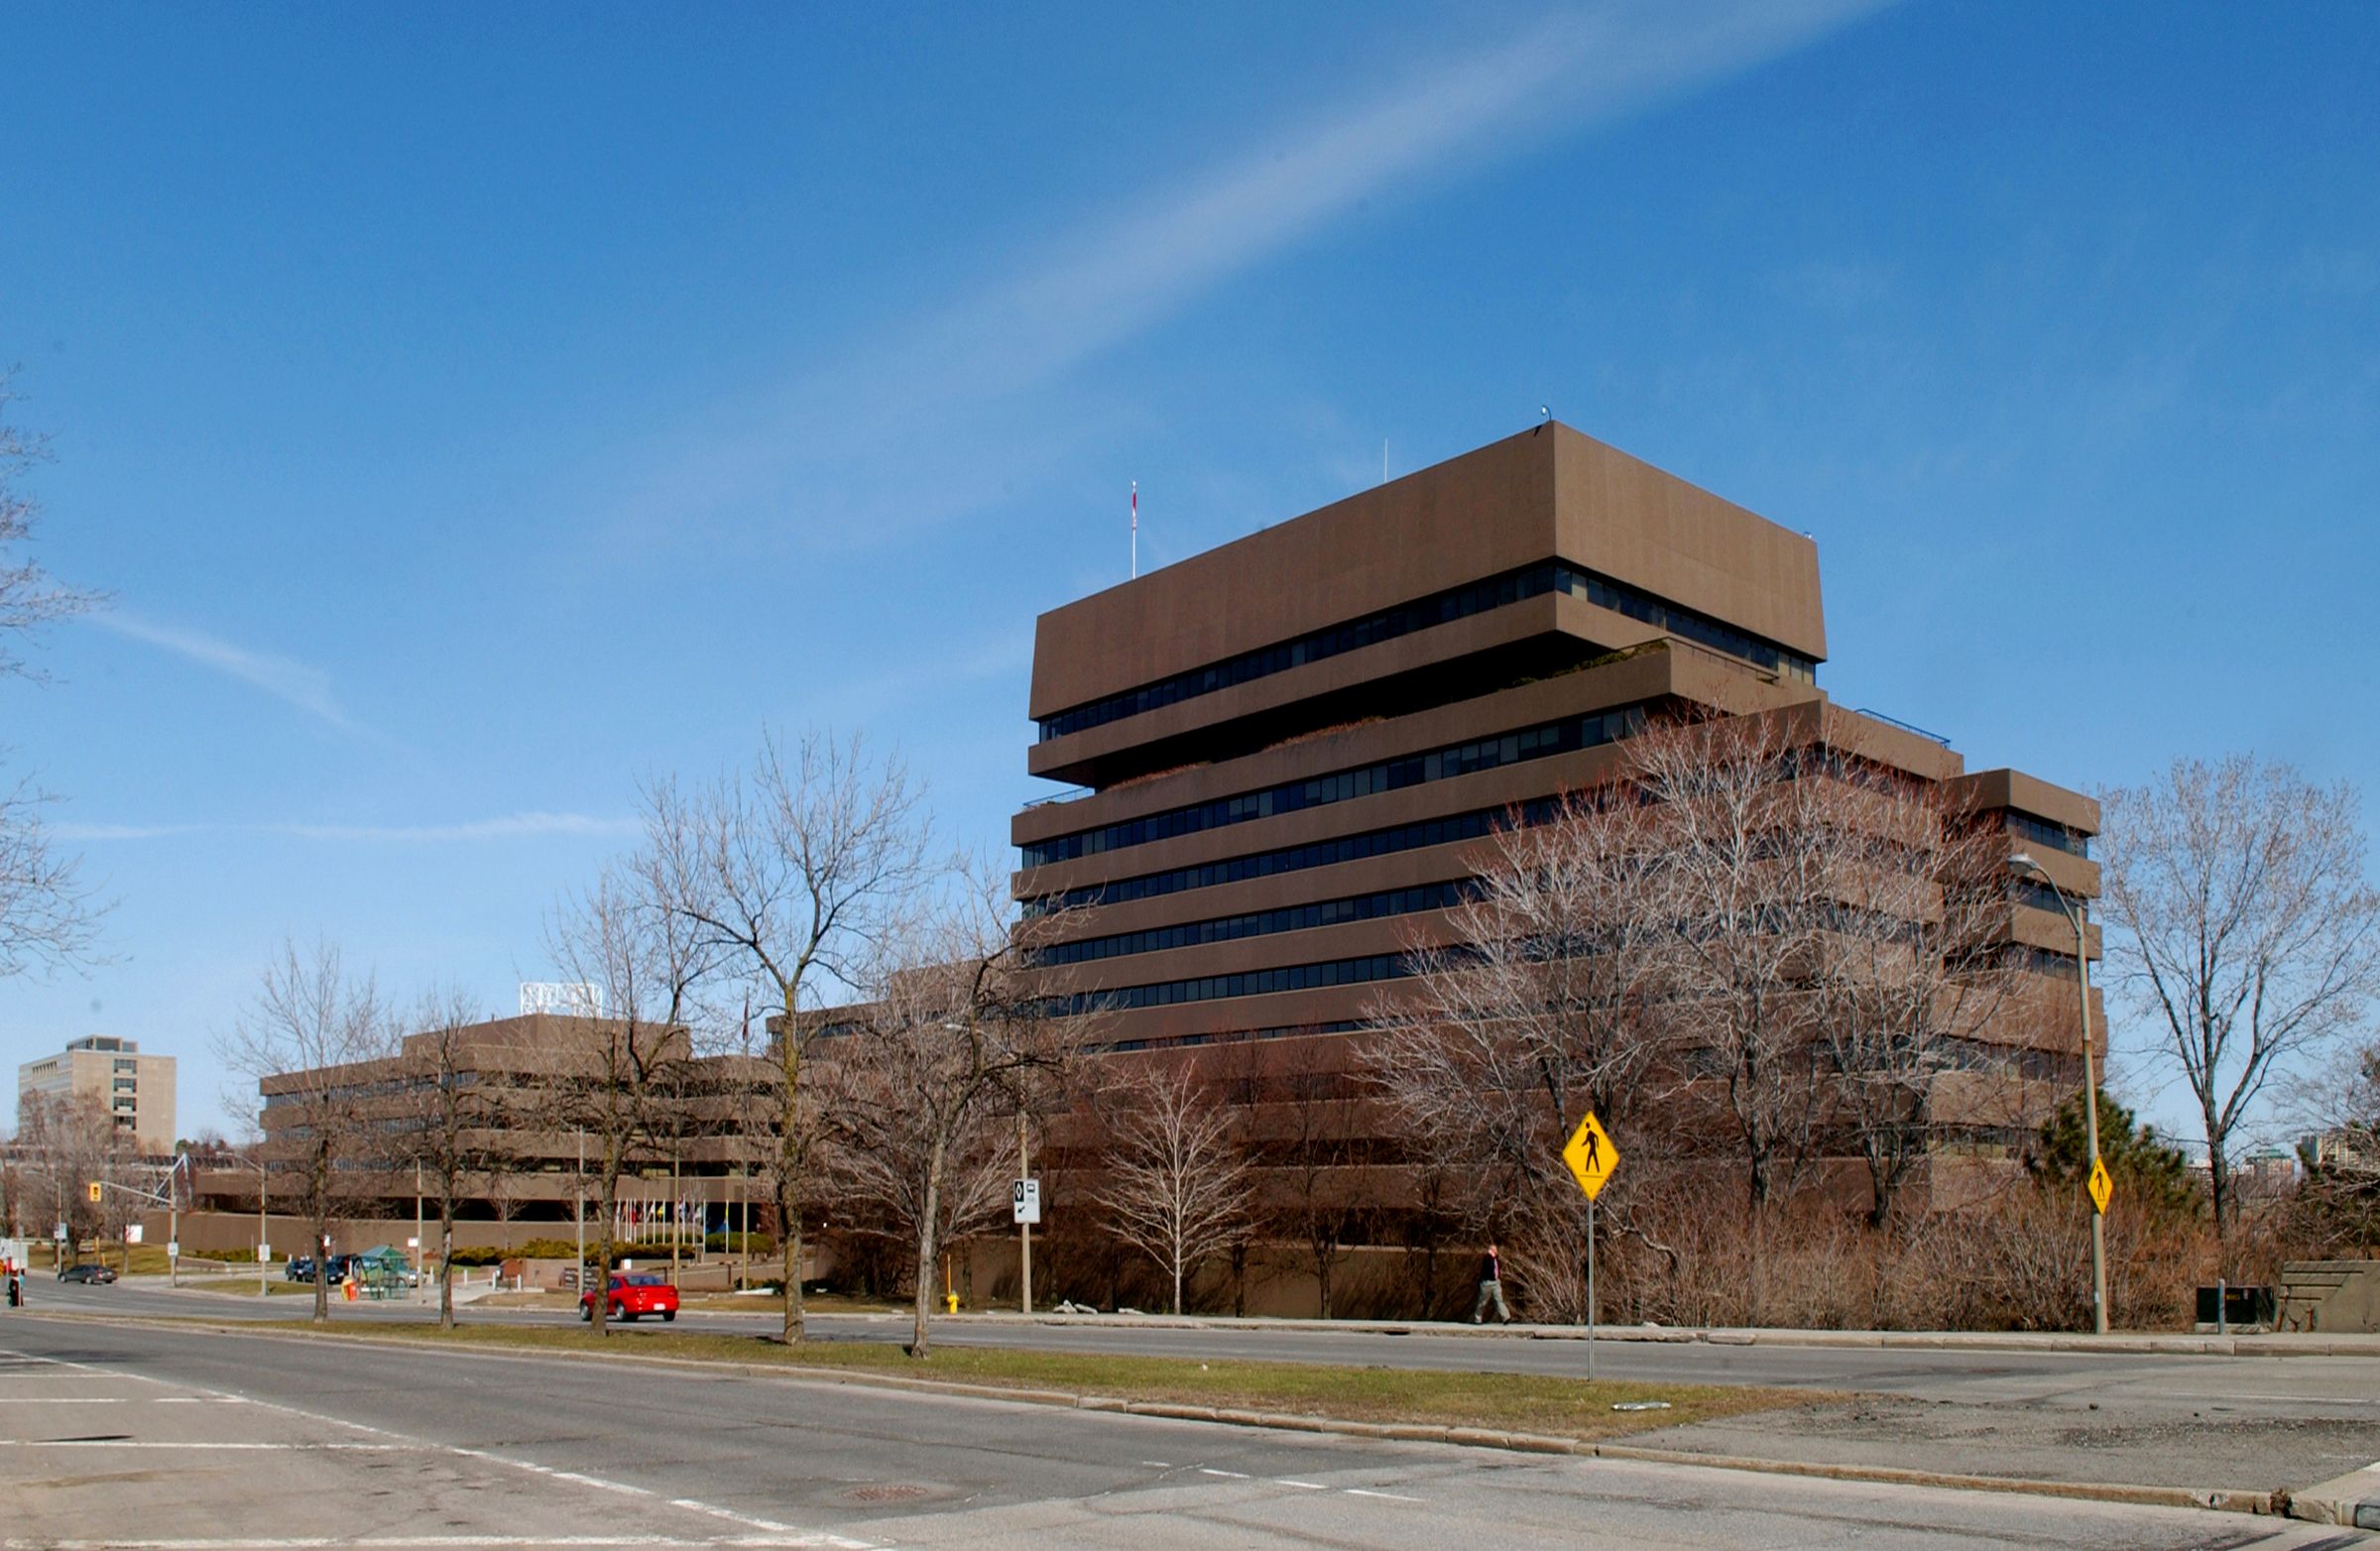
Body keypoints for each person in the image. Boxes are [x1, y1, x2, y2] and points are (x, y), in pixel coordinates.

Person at [1470, 1242, 1512, 1324]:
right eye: (1495, 1250)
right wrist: (1492, 1256)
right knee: (1482, 1302)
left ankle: (1506, 1317)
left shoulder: (1495, 1259)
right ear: (1492, 1250)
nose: (1497, 1251)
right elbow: (1488, 1269)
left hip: (1496, 1283)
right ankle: (1477, 1318)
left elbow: (1497, 1268)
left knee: (1499, 1300)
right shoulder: (1487, 1259)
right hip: (1487, 1283)